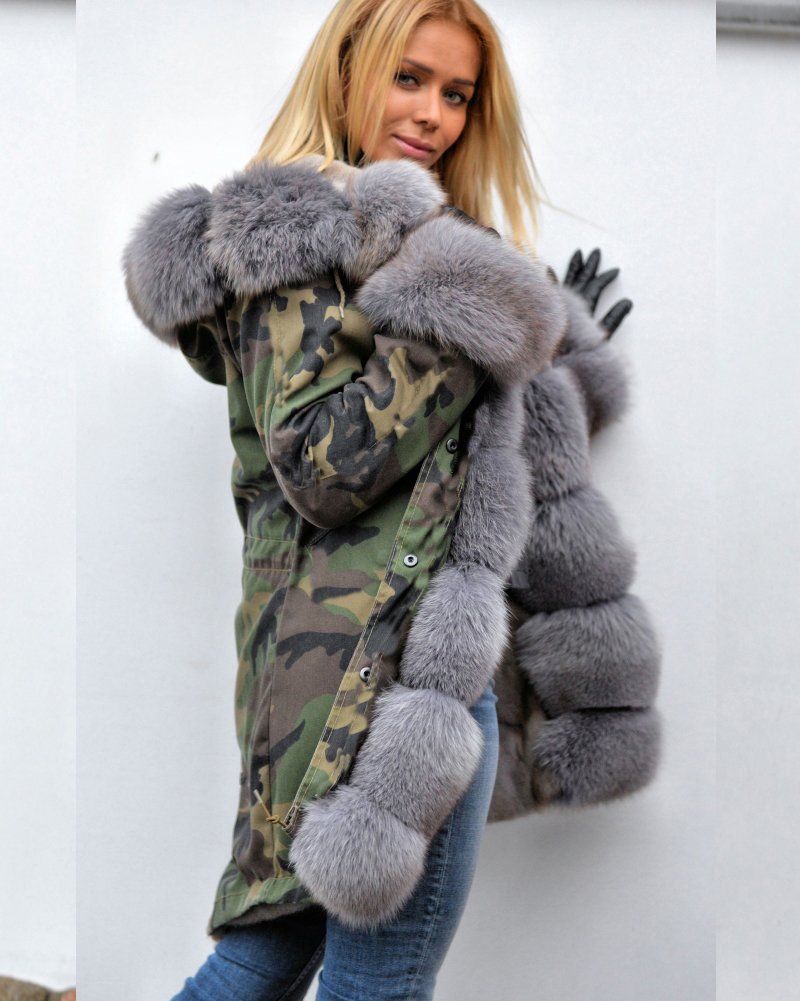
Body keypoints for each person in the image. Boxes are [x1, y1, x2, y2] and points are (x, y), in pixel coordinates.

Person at [123, 1, 659, 998]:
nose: (432, 114)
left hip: (379, 666)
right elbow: (325, 467)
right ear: (344, 71)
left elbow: (455, 449)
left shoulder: (424, 246)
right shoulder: (295, 238)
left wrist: (552, 353)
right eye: (408, 77)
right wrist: (474, 316)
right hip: (380, 680)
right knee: (373, 981)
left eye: (457, 94)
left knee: (269, 955)